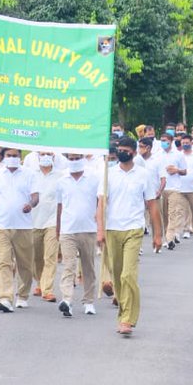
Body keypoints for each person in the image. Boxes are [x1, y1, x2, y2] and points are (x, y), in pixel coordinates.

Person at [97, 137, 162, 336]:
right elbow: (101, 204)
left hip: (134, 229)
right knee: (117, 277)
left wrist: (158, 234)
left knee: (128, 274)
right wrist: (100, 230)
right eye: (119, 149)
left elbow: (152, 205)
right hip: (112, 229)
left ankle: (127, 319)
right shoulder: (108, 174)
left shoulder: (143, 175)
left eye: (126, 149)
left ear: (134, 152)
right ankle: (122, 308)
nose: (122, 152)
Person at [0, 148, 39, 313]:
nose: (12, 158)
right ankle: (5, 297)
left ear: (20, 157)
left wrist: (30, 205)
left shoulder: (29, 174)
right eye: (9, 156)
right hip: (1, 225)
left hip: (23, 226)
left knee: (25, 264)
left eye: (15, 156)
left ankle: (22, 295)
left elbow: (36, 197)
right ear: (4, 157)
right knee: (3, 262)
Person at [55, 153, 100, 317]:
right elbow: (60, 206)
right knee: (69, 266)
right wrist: (58, 228)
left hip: (88, 229)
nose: (74, 161)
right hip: (68, 230)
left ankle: (89, 301)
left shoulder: (94, 178)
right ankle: (67, 299)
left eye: (77, 158)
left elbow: (99, 203)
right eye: (71, 159)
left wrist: (100, 226)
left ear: (83, 158)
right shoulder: (62, 180)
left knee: (88, 267)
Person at [30, 152, 63, 302]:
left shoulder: (60, 176)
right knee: (37, 257)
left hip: (53, 221)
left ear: (54, 157)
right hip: (33, 221)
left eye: (48, 154)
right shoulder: (31, 174)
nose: (45, 156)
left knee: (50, 257)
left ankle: (47, 288)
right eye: (42, 154)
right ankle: (39, 281)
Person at [175, 135, 193, 242]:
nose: (185, 145)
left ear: (191, 143)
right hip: (179, 188)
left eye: (187, 142)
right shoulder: (177, 156)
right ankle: (179, 232)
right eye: (183, 143)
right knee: (179, 211)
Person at [163, 135, 189, 249]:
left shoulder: (178, 155)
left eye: (166, 141)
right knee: (164, 215)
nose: (164, 143)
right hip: (161, 188)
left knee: (172, 214)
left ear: (171, 141)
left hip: (175, 188)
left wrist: (176, 170)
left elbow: (184, 171)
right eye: (162, 141)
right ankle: (167, 236)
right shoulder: (157, 155)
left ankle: (170, 238)